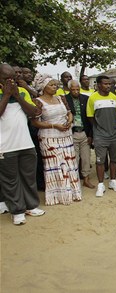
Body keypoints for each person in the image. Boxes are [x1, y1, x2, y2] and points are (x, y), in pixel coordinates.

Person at [0, 63, 46, 225]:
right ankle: (17, 211)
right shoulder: (2, 93)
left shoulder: (22, 92)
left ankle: (31, 206)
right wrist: (6, 95)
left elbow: (34, 113)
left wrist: (18, 96)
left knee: (28, 178)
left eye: (13, 78)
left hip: (26, 144)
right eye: (6, 79)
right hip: (5, 146)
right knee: (11, 180)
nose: (11, 82)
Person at [31, 73, 82, 205]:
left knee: (69, 164)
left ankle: (70, 193)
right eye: (51, 85)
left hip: (65, 135)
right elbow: (35, 122)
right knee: (54, 164)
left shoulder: (61, 98)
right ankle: (56, 196)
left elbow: (70, 113)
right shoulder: (38, 101)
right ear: (43, 87)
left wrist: (69, 122)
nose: (55, 87)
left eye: (55, 85)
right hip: (49, 137)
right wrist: (54, 125)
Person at [86, 75, 116, 197]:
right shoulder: (92, 98)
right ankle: (101, 184)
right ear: (98, 85)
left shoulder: (115, 97)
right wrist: (99, 128)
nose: (108, 86)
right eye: (105, 84)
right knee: (100, 161)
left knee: (114, 159)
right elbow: (90, 117)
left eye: (109, 84)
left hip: (115, 134)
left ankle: (113, 181)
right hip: (100, 135)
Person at [65, 80, 95, 189]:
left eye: (77, 89)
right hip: (72, 133)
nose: (76, 91)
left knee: (86, 158)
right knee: (74, 159)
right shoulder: (65, 99)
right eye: (73, 89)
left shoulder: (86, 99)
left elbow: (90, 118)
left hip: (84, 133)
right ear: (69, 89)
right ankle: (74, 180)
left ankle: (86, 179)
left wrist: (91, 135)